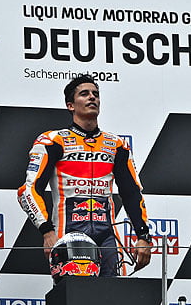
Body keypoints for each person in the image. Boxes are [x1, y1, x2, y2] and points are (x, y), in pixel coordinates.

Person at [18, 74, 153, 277]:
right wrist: (47, 231)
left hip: (108, 235)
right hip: (68, 233)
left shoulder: (116, 145)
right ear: (70, 105)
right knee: (76, 293)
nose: (92, 97)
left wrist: (143, 236)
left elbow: (131, 193)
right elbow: (28, 191)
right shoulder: (53, 140)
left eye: (95, 94)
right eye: (84, 94)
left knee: (115, 292)